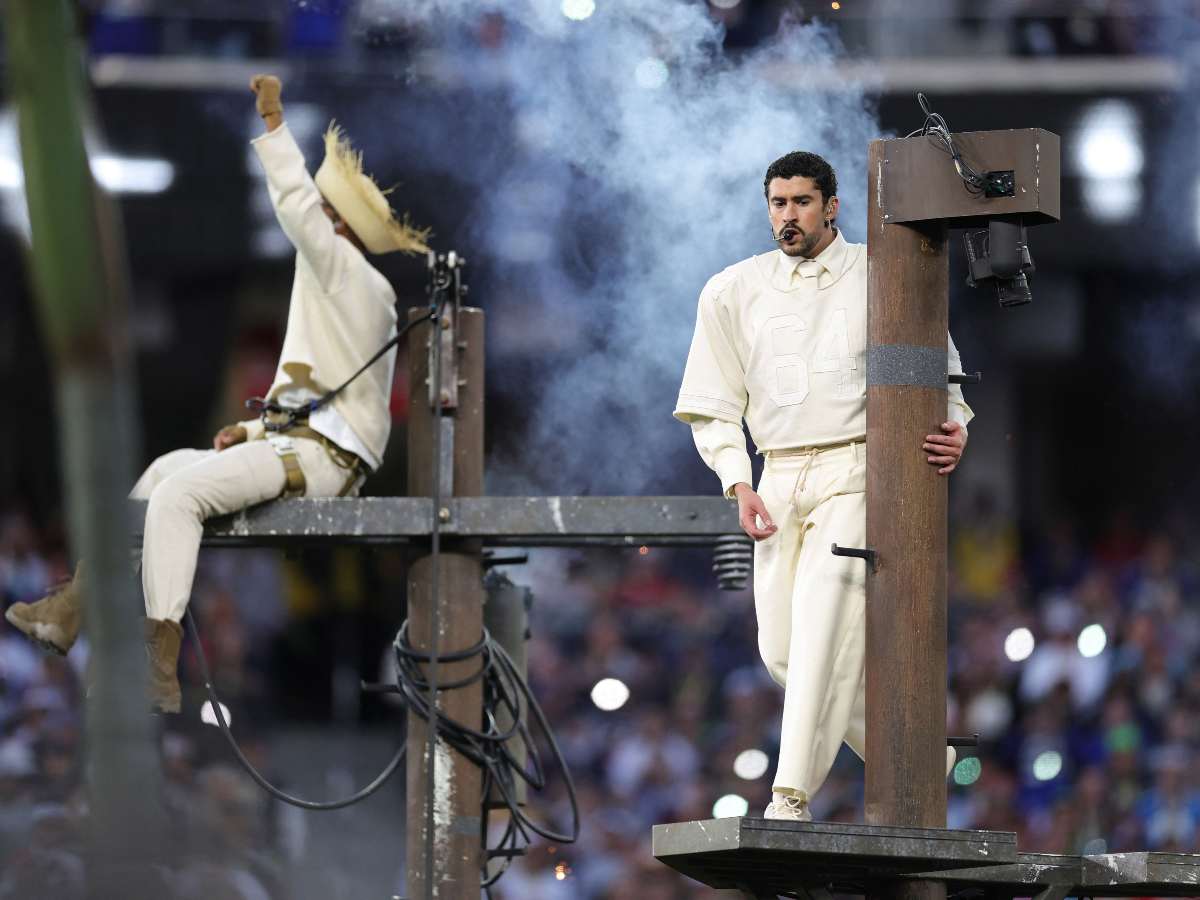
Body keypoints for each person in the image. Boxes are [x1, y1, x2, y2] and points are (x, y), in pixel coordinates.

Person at [5, 74, 428, 713]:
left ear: (336, 222)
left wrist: (275, 124)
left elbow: (293, 204)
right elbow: (319, 401)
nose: (314, 213)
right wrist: (254, 434)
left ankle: (158, 661)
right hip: (301, 447)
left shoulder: (347, 275)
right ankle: (72, 609)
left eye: (323, 208)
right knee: (159, 475)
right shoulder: (344, 283)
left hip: (320, 462)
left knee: (180, 495)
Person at [673, 151, 972, 821]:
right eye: (778, 203)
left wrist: (954, 424)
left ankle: (789, 797)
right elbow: (712, 401)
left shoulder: (881, 272)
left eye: (802, 202)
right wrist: (735, 481)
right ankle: (921, 755)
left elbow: (942, 372)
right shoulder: (732, 289)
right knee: (780, 653)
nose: (788, 215)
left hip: (858, 469)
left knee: (817, 632)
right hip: (774, 475)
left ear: (831, 205)